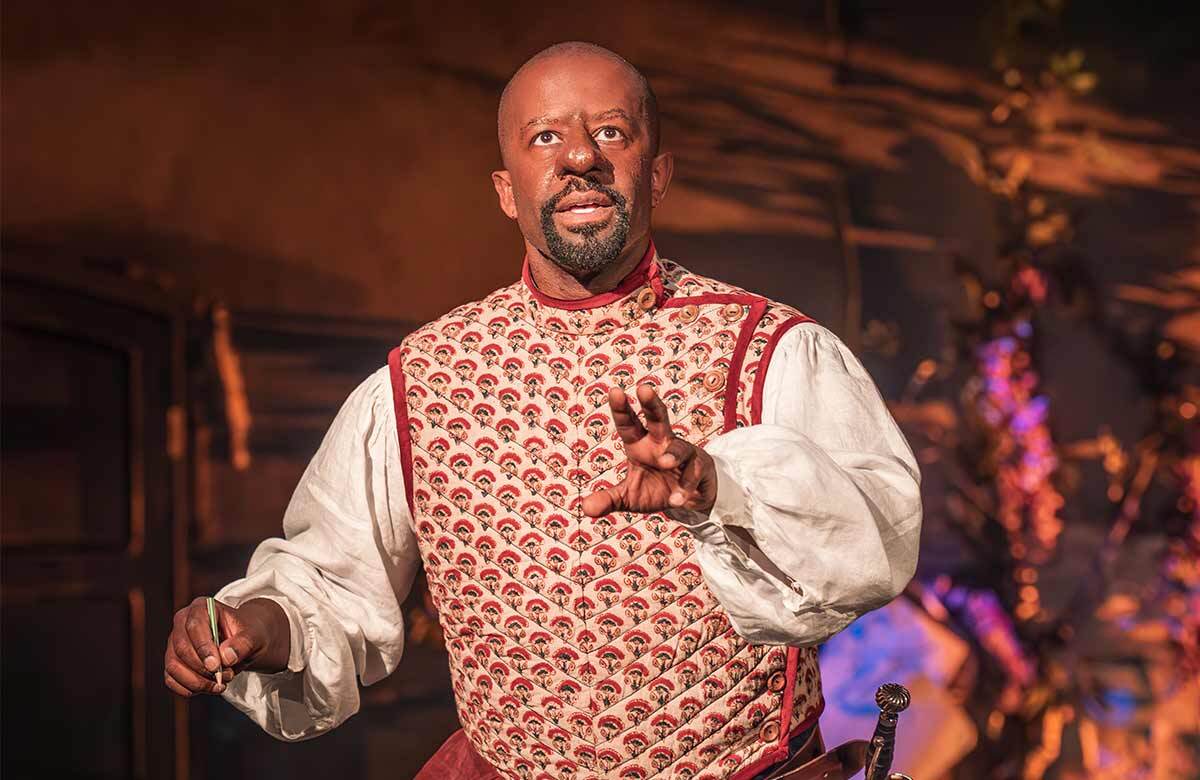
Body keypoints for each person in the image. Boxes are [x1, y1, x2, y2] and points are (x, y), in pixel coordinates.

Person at [163, 41, 922, 780]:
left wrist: (718, 488)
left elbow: (874, 542)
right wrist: (252, 627)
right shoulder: (425, 376)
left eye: (611, 131)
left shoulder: (772, 348)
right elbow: (329, 579)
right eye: (546, 136)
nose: (581, 156)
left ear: (657, 175)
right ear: (505, 189)